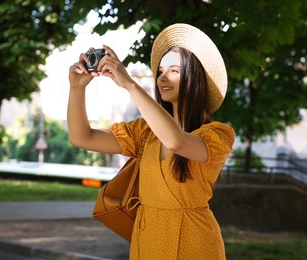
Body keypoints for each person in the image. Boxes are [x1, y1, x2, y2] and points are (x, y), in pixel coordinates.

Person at [68, 23, 234, 260]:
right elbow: (81, 137)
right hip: (148, 240)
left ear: (195, 78)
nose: (162, 77)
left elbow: (177, 142)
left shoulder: (217, 134)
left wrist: (129, 84)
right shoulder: (145, 131)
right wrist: (76, 89)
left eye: (174, 71)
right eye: (160, 71)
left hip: (194, 243)